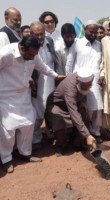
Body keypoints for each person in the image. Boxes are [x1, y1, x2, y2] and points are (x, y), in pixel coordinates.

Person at [0, 36, 65, 173]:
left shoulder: (33, 55)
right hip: (5, 97)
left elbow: (42, 67)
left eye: (35, 55)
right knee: (7, 130)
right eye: (30, 54)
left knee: (28, 124)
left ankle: (25, 154)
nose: (32, 57)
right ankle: (6, 159)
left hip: (23, 95)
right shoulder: (6, 54)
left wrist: (56, 76)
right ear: (22, 48)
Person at [66, 20, 103, 143]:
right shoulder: (77, 43)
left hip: (95, 81)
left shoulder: (99, 45)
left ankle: (95, 131)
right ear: (85, 29)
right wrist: (70, 80)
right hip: (79, 81)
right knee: (82, 108)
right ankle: (83, 134)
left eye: (95, 32)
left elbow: (102, 63)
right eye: (90, 31)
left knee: (96, 108)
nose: (93, 34)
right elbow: (69, 63)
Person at [45, 68, 96, 156]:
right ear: (78, 81)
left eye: (89, 85)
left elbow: (82, 94)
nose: (88, 87)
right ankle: (61, 145)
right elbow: (74, 113)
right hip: (57, 105)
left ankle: (78, 143)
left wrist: (82, 103)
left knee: (84, 117)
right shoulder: (70, 88)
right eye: (85, 86)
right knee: (59, 122)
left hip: (74, 103)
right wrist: (87, 135)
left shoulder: (86, 78)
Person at [30, 21, 60, 145]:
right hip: (36, 85)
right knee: (36, 114)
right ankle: (35, 139)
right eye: (36, 35)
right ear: (31, 34)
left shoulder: (49, 42)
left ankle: (50, 133)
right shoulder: (29, 45)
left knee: (50, 110)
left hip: (50, 83)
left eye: (41, 34)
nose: (40, 37)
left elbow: (54, 61)